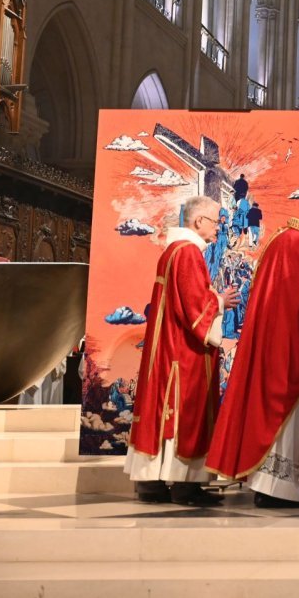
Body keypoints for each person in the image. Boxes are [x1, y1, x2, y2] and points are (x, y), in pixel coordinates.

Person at [206, 202, 299, 508]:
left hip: (277, 343)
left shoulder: (288, 237)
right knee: (287, 418)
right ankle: (280, 490)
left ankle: (268, 485)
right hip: (291, 350)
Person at [125, 196, 239, 506]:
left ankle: (153, 483)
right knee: (183, 412)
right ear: (199, 221)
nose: (219, 228)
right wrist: (219, 301)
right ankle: (184, 484)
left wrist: (211, 297)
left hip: (168, 344)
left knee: (162, 412)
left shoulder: (174, 251)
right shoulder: (188, 252)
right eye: (216, 221)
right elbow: (193, 308)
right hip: (182, 351)